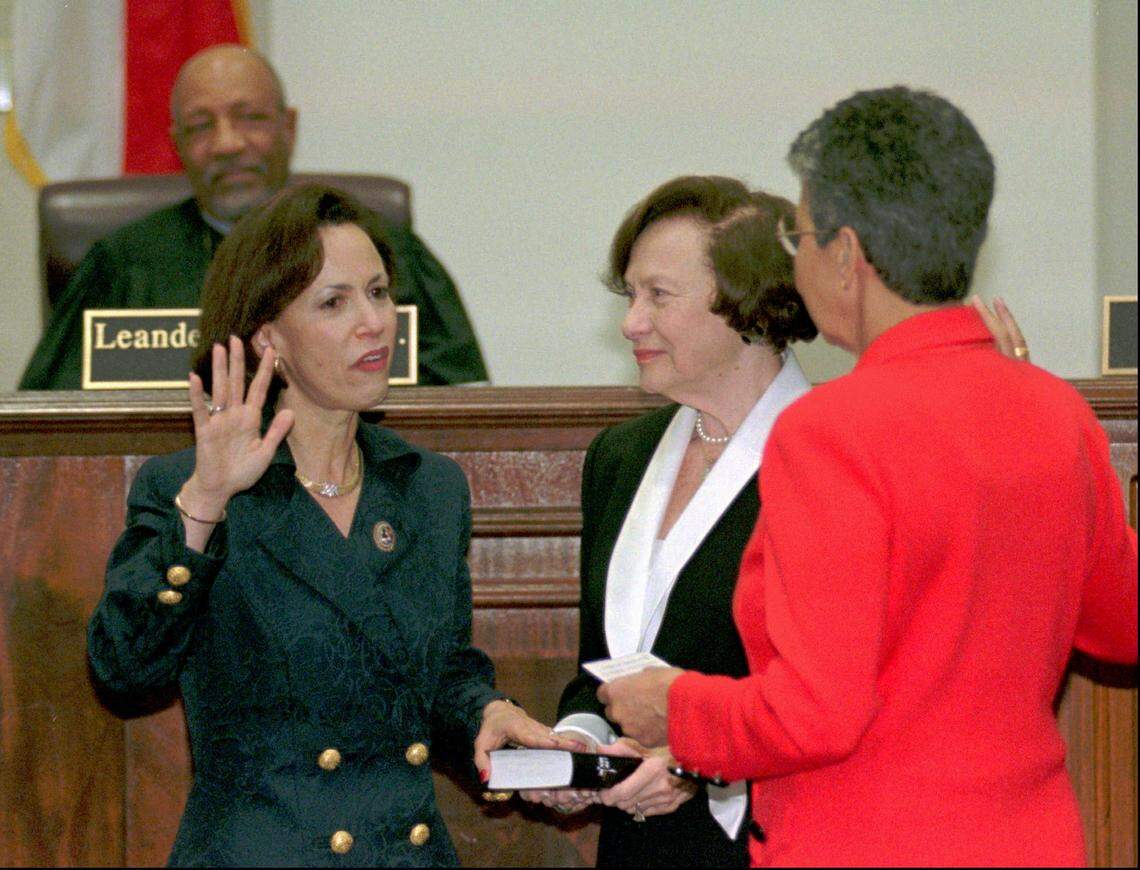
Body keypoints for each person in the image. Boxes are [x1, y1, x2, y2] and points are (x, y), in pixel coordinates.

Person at [598, 86, 1138, 866]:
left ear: (846, 254)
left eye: (801, 234)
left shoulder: (829, 431)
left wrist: (672, 707)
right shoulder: (1056, 410)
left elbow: (812, 715)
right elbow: (1121, 625)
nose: (797, 255)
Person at [86, 184, 563, 866]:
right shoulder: (189, 487)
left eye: (377, 292)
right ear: (268, 338)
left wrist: (489, 715)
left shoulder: (428, 488)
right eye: (335, 303)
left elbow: (438, 676)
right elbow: (122, 671)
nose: (374, 322)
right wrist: (205, 502)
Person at [522, 176, 818, 867]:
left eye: (659, 295)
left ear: (744, 304)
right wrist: (579, 743)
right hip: (638, 848)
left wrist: (700, 764)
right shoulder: (619, 457)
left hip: (773, 843)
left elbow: (839, 703)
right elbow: (604, 667)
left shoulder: (829, 455)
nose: (631, 322)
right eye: (630, 296)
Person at [20, 43, 488, 390]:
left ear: (289, 128)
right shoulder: (121, 263)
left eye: (249, 118)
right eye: (202, 126)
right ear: (178, 143)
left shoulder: (380, 249)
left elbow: (462, 402)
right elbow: (48, 423)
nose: (228, 144)